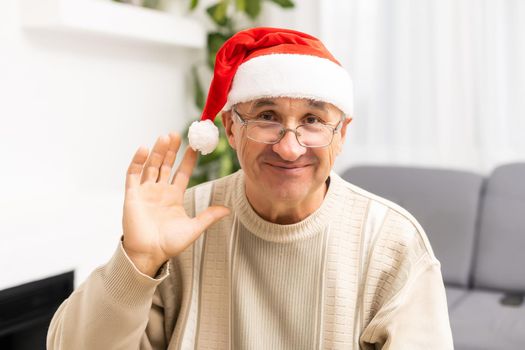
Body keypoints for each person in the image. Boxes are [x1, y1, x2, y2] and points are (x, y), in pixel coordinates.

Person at [47, 27, 453, 349]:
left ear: (341, 134)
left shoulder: (393, 242)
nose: (289, 147)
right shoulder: (181, 224)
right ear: (230, 128)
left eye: (312, 119)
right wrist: (136, 263)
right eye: (266, 116)